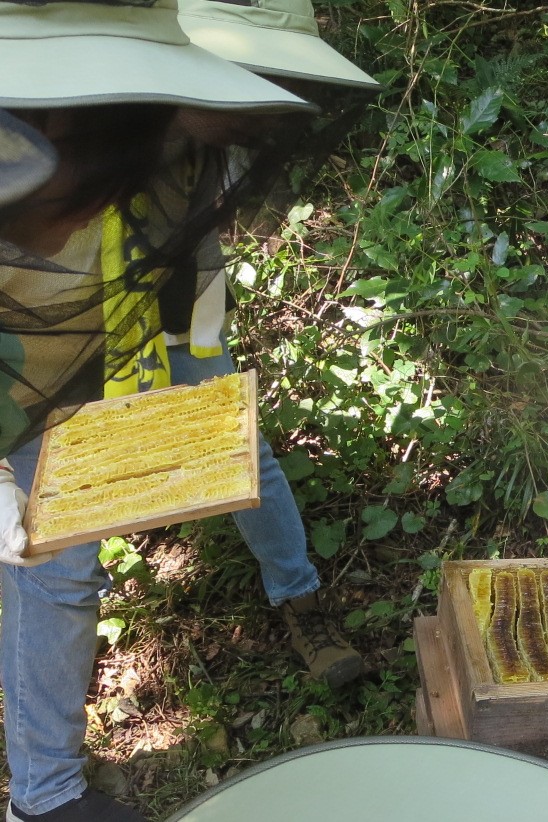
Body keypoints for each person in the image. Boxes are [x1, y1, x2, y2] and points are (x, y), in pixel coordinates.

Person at [0, 2, 315, 819]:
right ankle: (45, 796)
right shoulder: (42, 130)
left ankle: (301, 597)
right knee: (52, 559)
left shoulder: (170, 127)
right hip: (31, 377)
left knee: (239, 449)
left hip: (164, 330)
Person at [154, 0, 386, 689]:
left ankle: (300, 600)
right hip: (73, 332)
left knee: (241, 455)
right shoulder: (96, 115)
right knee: (63, 499)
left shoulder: (217, 132)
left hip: (184, 314)